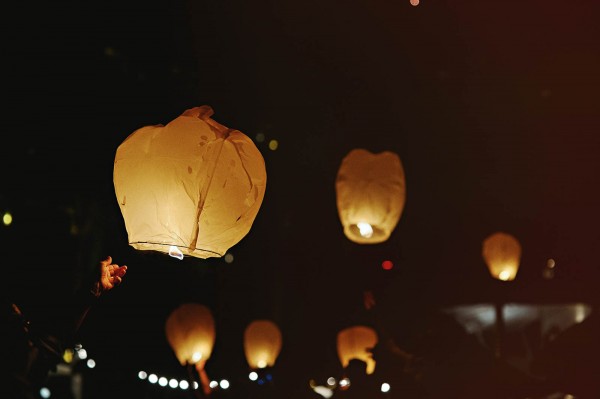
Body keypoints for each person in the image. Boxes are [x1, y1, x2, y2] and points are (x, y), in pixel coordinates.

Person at [2, 256, 127, 399]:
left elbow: (51, 342)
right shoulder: (15, 376)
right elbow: (51, 343)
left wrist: (92, 292)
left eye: (25, 323)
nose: (27, 330)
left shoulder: (22, 367)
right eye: (21, 323)